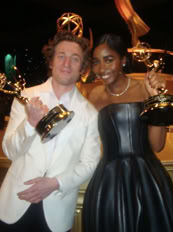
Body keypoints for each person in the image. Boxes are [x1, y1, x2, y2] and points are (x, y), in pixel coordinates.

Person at [0, 30, 101, 232]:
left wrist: (56, 183)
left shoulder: (90, 113)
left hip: (57, 209)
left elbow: (90, 163)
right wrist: (30, 123)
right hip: (14, 203)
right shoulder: (26, 97)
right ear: (51, 61)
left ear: (82, 67)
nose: (66, 63)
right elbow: (10, 151)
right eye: (61, 56)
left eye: (75, 59)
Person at [82, 33, 173, 232]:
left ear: (123, 61)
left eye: (109, 60)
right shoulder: (94, 95)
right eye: (96, 62)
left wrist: (155, 98)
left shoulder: (144, 89)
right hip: (108, 179)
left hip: (146, 178)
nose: (102, 68)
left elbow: (157, 146)